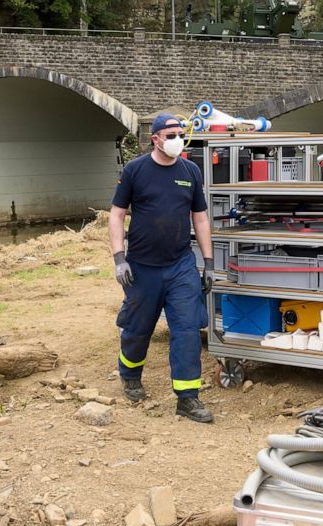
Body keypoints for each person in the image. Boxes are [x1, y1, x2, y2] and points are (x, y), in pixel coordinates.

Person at [109, 114, 215, 423]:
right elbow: (116, 215)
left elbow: (201, 219)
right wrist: (119, 258)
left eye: (181, 134)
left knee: (187, 329)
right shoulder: (135, 170)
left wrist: (208, 264)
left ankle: (188, 398)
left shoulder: (190, 171)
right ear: (155, 138)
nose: (178, 139)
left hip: (180, 265)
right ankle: (129, 374)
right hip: (142, 267)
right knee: (138, 327)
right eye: (171, 134)